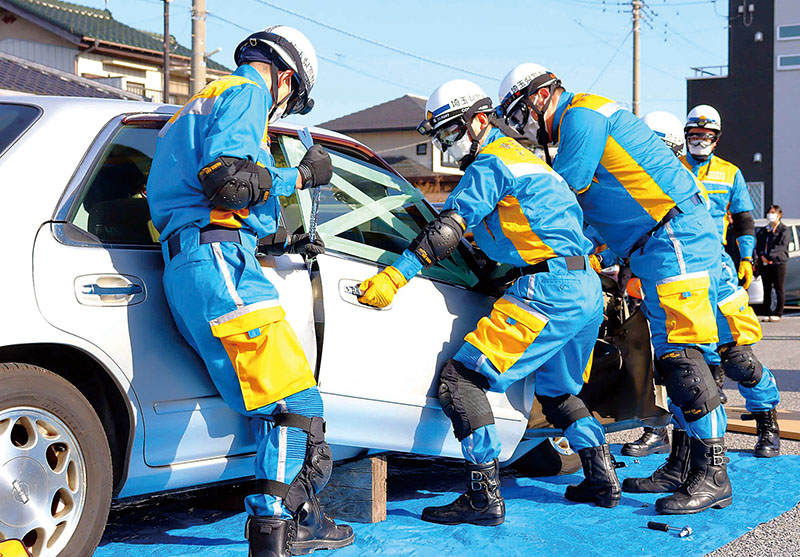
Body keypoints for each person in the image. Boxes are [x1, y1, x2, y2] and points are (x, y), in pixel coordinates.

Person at [358, 79, 619, 526]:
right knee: (558, 393)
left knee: (460, 381)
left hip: (547, 290)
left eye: (450, 131)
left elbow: (448, 229)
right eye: (440, 137)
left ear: (479, 120)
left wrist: (397, 274)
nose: (448, 145)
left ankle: (483, 497)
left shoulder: (491, 162)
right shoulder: (533, 163)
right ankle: (603, 478)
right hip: (584, 287)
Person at [146, 26, 353, 556]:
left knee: (275, 402)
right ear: (285, 77)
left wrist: (280, 235)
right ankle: (276, 531)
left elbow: (218, 188)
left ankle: (295, 518)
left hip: (197, 260)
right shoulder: (248, 91)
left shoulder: (197, 105)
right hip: (220, 261)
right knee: (293, 403)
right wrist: (299, 178)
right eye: (290, 99)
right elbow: (229, 181)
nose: (280, 110)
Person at [497, 64, 729, 515]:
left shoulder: (580, 117)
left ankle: (713, 475)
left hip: (672, 238)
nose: (522, 125)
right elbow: (599, 210)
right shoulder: (586, 117)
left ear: (540, 96)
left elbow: (563, 198)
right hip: (656, 243)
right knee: (674, 361)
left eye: (520, 113)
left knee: (683, 358)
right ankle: (684, 466)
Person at [679, 105, 780, 457]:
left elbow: (744, 220)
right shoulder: (671, 170)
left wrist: (747, 258)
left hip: (718, 269)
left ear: (717, 139)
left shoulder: (730, 173)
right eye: (694, 135)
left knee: (737, 355)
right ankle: (691, 443)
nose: (700, 140)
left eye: (706, 135)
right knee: (688, 361)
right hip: (680, 271)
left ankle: (767, 423)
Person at [757, 204, 792, 321]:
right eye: (769, 213)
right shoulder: (764, 230)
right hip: (765, 263)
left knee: (778, 288)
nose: (770, 215)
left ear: (779, 215)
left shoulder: (784, 230)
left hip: (778, 263)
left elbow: (781, 246)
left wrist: (769, 257)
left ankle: (778, 313)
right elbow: (759, 244)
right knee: (766, 288)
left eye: (773, 213)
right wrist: (762, 256)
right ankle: (767, 312)